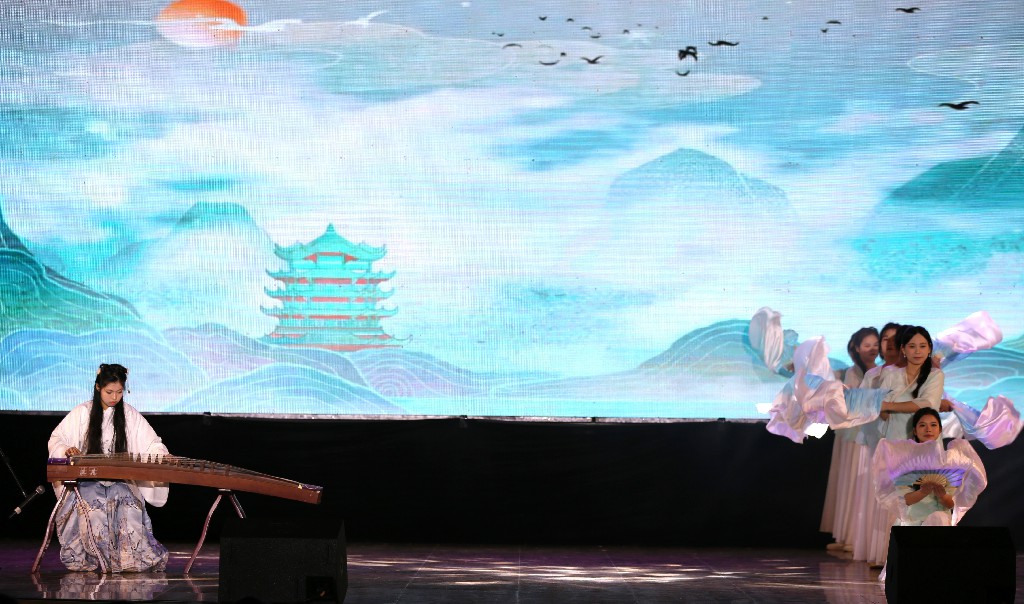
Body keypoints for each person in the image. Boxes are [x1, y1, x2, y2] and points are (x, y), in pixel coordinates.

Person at [47, 363, 170, 572]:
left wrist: (161, 455)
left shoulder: (129, 415)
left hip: (120, 480)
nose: (114, 397)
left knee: (130, 509)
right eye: (109, 392)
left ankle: (126, 560)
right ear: (98, 388)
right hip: (87, 481)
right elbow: (57, 439)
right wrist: (66, 449)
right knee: (94, 512)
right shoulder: (83, 412)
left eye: (119, 392)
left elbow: (151, 443)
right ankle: (96, 559)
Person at [872, 407, 987, 578]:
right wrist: (923, 491)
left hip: (940, 520)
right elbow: (905, 500)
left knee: (938, 517)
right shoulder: (906, 460)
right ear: (914, 431)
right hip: (913, 520)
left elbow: (951, 504)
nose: (928, 429)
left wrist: (942, 495)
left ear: (940, 430)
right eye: (922, 425)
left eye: (933, 425)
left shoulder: (949, 460)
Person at [877, 326, 944, 441]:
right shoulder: (891, 375)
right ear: (903, 349)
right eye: (912, 346)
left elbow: (927, 403)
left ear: (929, 349)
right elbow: (880, 409)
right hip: (895, 440)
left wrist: (889, 406)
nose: (917, 351)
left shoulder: (935, 375)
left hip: (926, 442)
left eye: (922, 346)